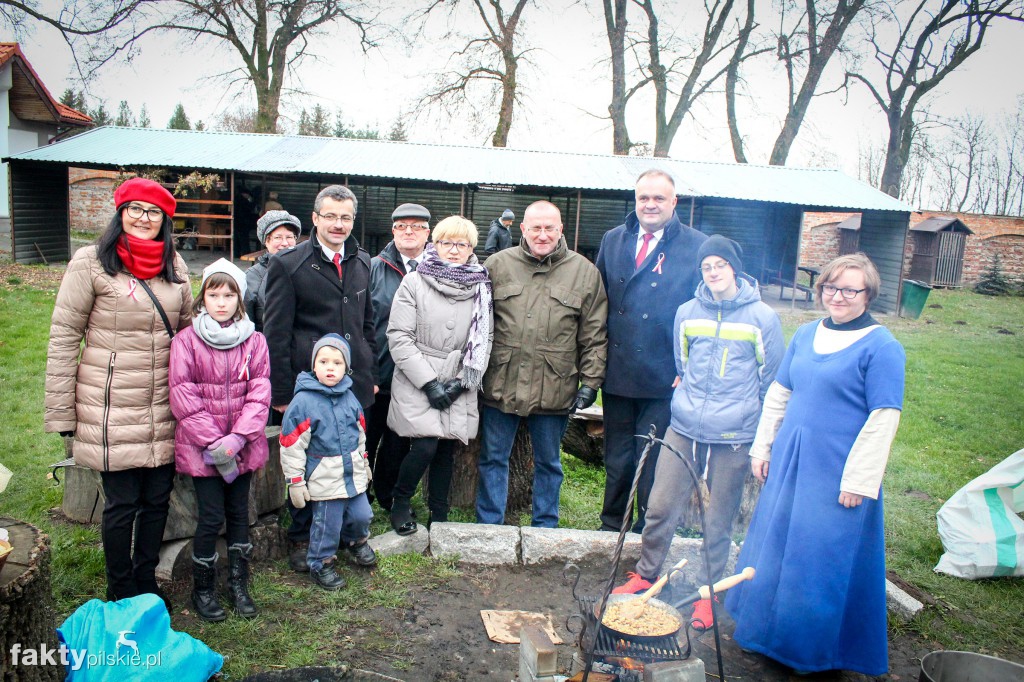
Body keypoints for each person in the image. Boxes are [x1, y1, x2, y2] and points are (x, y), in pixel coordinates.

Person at [725, 253, 905, 676]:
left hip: (836, 471)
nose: (837, 297)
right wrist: (763, 448)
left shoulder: (882, 347)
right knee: (778, 545)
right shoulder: (806, 334)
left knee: (819, 557)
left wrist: (860, 480)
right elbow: (780, 393)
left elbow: (884, 418)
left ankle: (811, 652)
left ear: (868, 295)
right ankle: (764, 636)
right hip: (791, 460)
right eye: (830, 287)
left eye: (849, 289)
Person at [612, 236, 783, 633]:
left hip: (734, 433)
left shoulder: (762, 318)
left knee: (718, 516)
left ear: (734, 269)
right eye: (707, 266)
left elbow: (770, 378)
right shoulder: (687, 312)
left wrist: (747, 416)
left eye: (721, 265)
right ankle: (646, 573)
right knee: (659, 504)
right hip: (685, 425)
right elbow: (682, 362)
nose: (713, 272)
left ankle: (708, 591)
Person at [44, 177, 193, 608]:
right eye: (136, 209)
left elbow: (185, 334)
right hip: (110, 403)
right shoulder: (91, 263)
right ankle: (120, 584)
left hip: (163, 401)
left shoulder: (176, 266)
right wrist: (61, 413)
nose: (144, 219)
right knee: (122, 502)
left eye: (154, 213)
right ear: (121, 213)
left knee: (157, 498)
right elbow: (63, 337)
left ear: (165, 220)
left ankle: (146, 579)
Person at [263, 184, 378, 572]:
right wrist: (281, 392)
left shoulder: (363, 262)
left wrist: (370, 372)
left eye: (345, 217)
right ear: (315, 218)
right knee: (311, 462)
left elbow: (368, 325)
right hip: (307, 389)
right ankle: (302, 535)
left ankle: (351, 533)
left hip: (352, 385)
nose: (338, 224)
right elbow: (275, 332)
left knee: (350, 455)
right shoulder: (289, 264)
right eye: (330, 216)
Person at [476, 201, 607, 528]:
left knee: (549, 463)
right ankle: (489, 524)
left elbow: (594, 333)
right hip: (500, 382)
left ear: (561, 229)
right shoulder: (496, 264)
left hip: (555, 385)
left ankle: (545, 526)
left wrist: (591, 383)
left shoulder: (584, 272)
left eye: (550, 228)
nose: (543, 234)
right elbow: (475, 320)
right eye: (536, 227)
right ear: (522, 229)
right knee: (493, 459)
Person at [595, 169, 707, 533]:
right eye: (644, 197)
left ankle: (647, 528)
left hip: (664, 375)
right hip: (618, 370)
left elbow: (704, 314)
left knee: (652, 455)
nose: (650, 204)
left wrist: (687, 367)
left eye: (659, 198)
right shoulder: (614, 239)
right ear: (635, 200)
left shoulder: (695, 246)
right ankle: (612, 525)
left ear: (674, 202)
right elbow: (598, 303)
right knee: (617, 458)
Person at [169, 259, 271, 622]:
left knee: (239, 514)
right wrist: (216, 442)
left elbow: (260, 394)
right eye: (214, 294)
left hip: (242, 447)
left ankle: (239, 583)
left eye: (230, 295)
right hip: (203, 449)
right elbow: (183, 394)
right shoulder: (186, 341)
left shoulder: (255, 342)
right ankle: (203, 588)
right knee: (210, 517)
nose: (222, 302)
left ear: (240, 299)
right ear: (203, 297)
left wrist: (238, 438)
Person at [386, 216, 493, 535]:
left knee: (446, 447)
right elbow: (399, 336)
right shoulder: (414, 282)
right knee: (425, 446)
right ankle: (400, 501)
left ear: (471, 248)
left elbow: (484, 338)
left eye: (462, 244)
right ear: (436, 244)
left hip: (460, 376)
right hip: (417, 376)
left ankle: (439, 510)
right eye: (447, 242)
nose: (454, 250)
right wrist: (430, 384)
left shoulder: (481, 286)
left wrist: (462, 383)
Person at [280, 334, 376, 591]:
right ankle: (321, 562)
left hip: (351, 473)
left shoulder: (350, 397)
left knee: (362, 514)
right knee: (327, 525)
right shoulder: (303, 403)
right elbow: (291, 445)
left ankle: (357, 542)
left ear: (346, 367)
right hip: (324, 477)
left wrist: (364, 463)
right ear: (314, 365)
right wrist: (296, 482)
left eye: (337, 362)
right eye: (323, 361)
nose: (330, 367)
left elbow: (360, 434)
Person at [368, 203, 431, 512]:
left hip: (417, 377)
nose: (409, 231)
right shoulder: (372, 268)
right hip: (378, 373)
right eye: (403, 226)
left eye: (417, 226)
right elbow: (363, 322)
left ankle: (390, 495)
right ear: (393, 230)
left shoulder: (437, 267)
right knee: (367, 437)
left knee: (399, 442)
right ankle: (359, 494)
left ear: (427, 233)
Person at [244, 210, 302, 332]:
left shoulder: (306, 270)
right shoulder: (253, 276)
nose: (285, 243)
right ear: (266, 241)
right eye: (278, 237)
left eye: (289, 237)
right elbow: (245, 323)